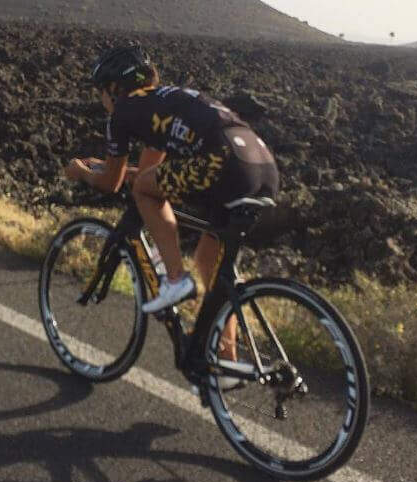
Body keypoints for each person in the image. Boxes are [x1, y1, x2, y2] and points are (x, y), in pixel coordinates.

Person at [64, 44, 279, 360]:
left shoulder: (124, 110)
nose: (101, 100)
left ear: (113, 88)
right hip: (261, 167)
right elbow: (150, 174)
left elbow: (113, 184)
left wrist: (82, 172)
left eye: (101, 92)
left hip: (222, 164)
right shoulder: (163, 102)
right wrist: (118, 171)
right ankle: (225, 356)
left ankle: (176, 280)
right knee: (210, 262)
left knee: (145, 193)